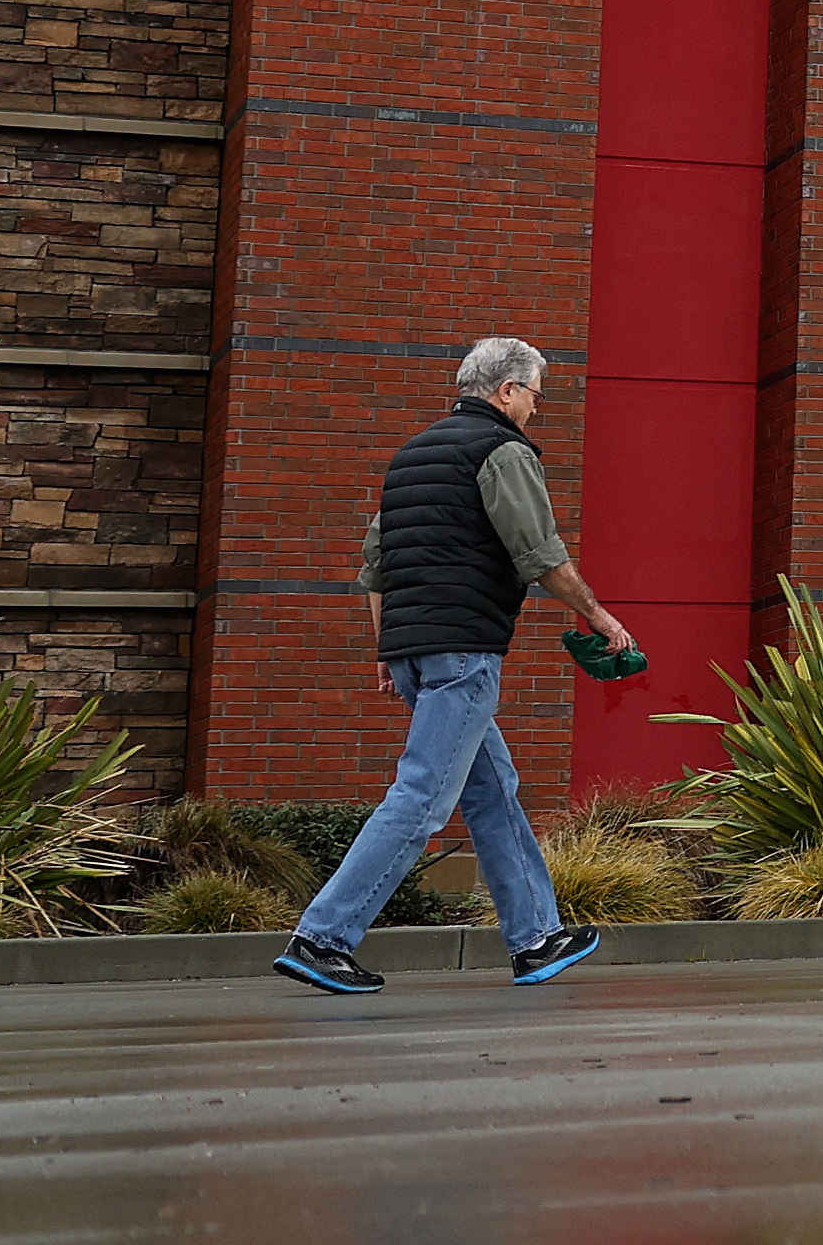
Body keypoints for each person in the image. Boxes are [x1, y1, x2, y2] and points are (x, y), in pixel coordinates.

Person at [273, 337, 643, 996]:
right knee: (421, 797)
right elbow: (540, 553)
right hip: (462, 651)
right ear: (504, 389)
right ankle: (323, 938)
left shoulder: (411, 456)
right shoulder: (500, 450)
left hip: (417, 651)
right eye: (534, 393)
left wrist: (390, 649)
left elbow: (375, 567)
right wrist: (601, 618)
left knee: (492, 789)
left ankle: (536, 938)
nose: (536, 406)